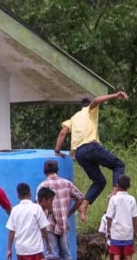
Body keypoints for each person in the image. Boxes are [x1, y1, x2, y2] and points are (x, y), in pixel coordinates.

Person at [54, 92, 129, 223]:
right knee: (118, 165)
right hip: (91, 147)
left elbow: (62, 132)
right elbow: (96, 101)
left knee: (99, 181)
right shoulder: (89, 110)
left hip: (79, 154)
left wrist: (57, 151)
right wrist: (115, 95)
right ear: (88, 105)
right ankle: (114, 192)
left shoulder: (73, 118)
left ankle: (84, 205)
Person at [36, 160, 84, 260]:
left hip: (49, 224)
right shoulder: (67, 183)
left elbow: (38, 206)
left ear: (44, 171)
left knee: (53, 255)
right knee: (67, 254)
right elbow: (81, 197)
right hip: (63, 222)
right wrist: (71, 211)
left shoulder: (42, 186)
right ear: (58, 170)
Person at [6, 184, 53, 260]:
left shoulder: (15, 210)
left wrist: (9, 248)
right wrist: (48, 243)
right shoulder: (36, 208)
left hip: (20, 248)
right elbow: (43, 228)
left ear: (18, 196)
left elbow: (11, 231)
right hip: (34, 247)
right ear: (31, 193)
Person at [105, 175, 137, 260]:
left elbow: (109, 217)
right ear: (128, 186)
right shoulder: (131, 199)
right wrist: (136, 231)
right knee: (128, 255)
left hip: (116, 232)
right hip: (128, 232)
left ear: (117, 185)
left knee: (116, 254)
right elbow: (134, 217)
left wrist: (108, 229)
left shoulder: (113, 199)